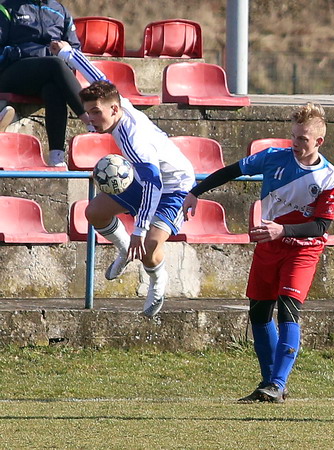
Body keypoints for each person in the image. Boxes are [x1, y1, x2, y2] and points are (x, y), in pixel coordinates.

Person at [183, 103, 334, 403]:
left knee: (288, 308)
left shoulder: (330, 178)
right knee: (258, 312)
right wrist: (196, 192)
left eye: (303, 139)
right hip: (269, 246)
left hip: (303, 250)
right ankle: (269, 383)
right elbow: (232, 170)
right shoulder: (272, 158)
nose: (295, 143)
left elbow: (321, 226)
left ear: (319, 141)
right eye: (293, 136)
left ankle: (279, 383)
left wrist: (283, 230)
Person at [51, 41, 195, 317]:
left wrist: (139, 229)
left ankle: (157, 280)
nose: (91, 119)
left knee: (150, 246)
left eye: (96, 113)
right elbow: (99, 78)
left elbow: (154, 183)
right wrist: (68, 53)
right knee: (94, 212)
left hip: (175, 186)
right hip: (145, 178)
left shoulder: (134, 141)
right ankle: (124, 248)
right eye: (89, 112)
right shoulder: (119, 103)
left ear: (114, 110)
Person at [0, 0, 93, 166]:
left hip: (48, 73)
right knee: (55, 64)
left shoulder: (60, 10)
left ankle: (56, 157)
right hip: (13, 71)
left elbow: (74, 51)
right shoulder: (6, 7)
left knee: (53, 89)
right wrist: (22, 51)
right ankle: (90, 119)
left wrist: (65, 50)